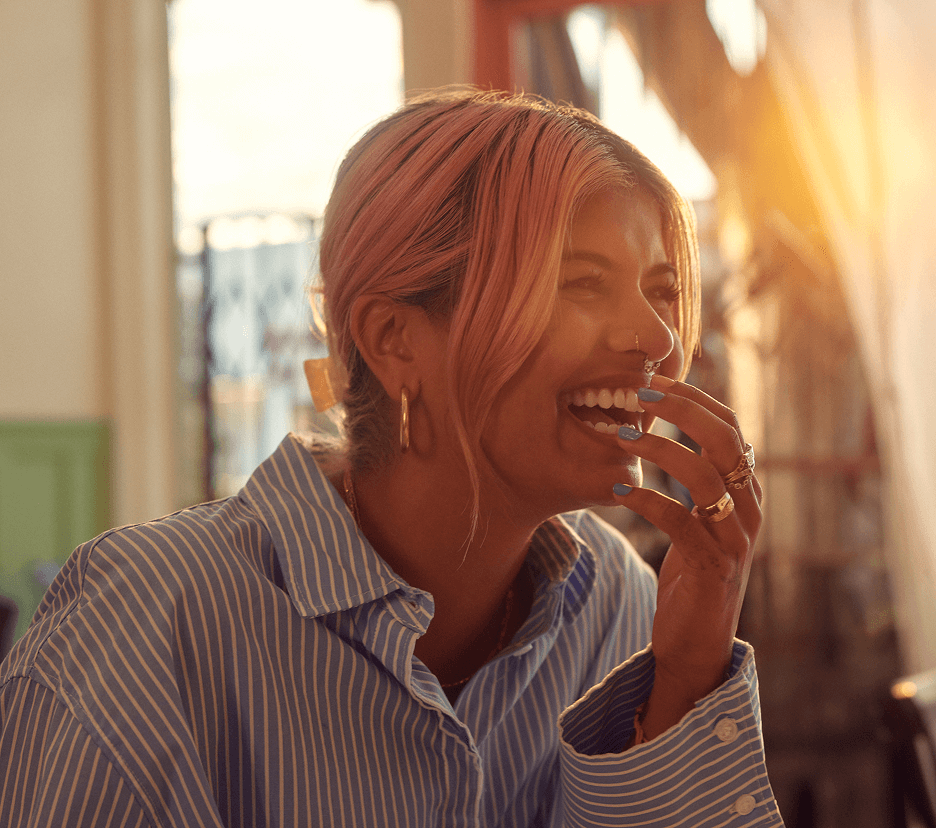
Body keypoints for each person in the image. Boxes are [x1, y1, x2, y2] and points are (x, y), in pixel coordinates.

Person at [0, 89, 782, 827]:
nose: (659, 339)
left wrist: (682, 682)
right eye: (581, 283)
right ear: (394, 341)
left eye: (661, 289)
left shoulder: (618, 604)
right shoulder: (143, 622)